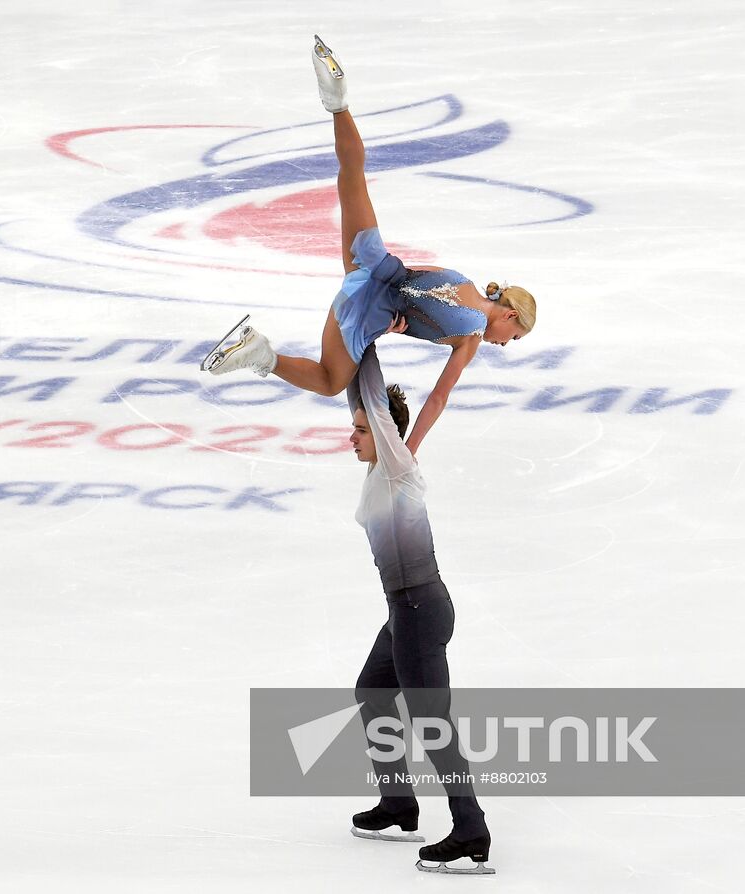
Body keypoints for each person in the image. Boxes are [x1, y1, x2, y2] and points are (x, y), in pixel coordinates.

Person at [202, 35, 537, 454]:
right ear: (508, 314)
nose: (505, 344)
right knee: (329, 381)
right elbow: (437, 399)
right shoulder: (470, 338)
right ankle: (258, 354)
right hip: (367, 309)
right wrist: (408, 450)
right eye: (514, 336)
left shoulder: (464, 279)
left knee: (352, 176)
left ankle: (338, 101)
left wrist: (401, 313)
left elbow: (418, 278)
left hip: (374, 264)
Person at [343, 344, 494, 876]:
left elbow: (373, 401)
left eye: (362, 431)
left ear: (382, 432)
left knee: (433, 722)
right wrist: (353, 345)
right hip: (404, 608)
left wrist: (367, 343)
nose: (353, 437)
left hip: (419, 608)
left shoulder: (395, 467)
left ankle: (471, 829)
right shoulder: (380, 469)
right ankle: (399, 802)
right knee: (373, 693)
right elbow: (357, 394)